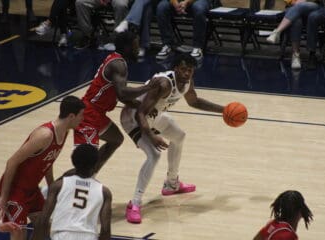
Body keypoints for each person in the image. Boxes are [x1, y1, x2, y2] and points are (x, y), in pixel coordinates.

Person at [120, 54, 225, 223]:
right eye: (183, 69)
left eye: (189, 70)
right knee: (154, 155)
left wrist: (224, 110)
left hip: (154, 117)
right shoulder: (163, 84)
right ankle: (135, 203)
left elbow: (194, 102)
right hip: (133, 119)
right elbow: (140, 113)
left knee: (179, 136)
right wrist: (153, 136)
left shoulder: (187, 83)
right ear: (175, 69)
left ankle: (171, 184)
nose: (186, 73)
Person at [0, 95, 86, 240]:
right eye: (81, 115)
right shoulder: (45, 135)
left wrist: (51, 186)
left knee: (43, 225)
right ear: (71, 116)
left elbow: (47, 161)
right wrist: (4, 198)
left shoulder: (64, 132)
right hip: (16, 189)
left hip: (32, 189)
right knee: (18, 234)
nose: (82, 119)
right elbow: (11, 162)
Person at [74, 31, 156, 174]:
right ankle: (59, 187)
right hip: (87, 115)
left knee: (116, 139)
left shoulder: (118, 61)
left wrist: (142, 107)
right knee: (83, 165)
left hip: (98, 113)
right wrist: (148, 87)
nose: (138, 50)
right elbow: (123, 93)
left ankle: (91, 174)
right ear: (126, 47)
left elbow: (122, 97)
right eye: (135, 46)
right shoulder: (118, 64)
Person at [30, 144, 112, 240]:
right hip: (89, 237)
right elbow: (105, 230)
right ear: (95, 164)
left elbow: (43, 221)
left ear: (73, 161)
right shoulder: (104, 192)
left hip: (62, 235)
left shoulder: (58, 186)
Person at [266, 0, 325, 69]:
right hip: (292, 7)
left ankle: (277, 31)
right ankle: (295, 54)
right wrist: (292, 2)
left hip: (312, 5)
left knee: (301, 6)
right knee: (296, 20)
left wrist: (304, 1)